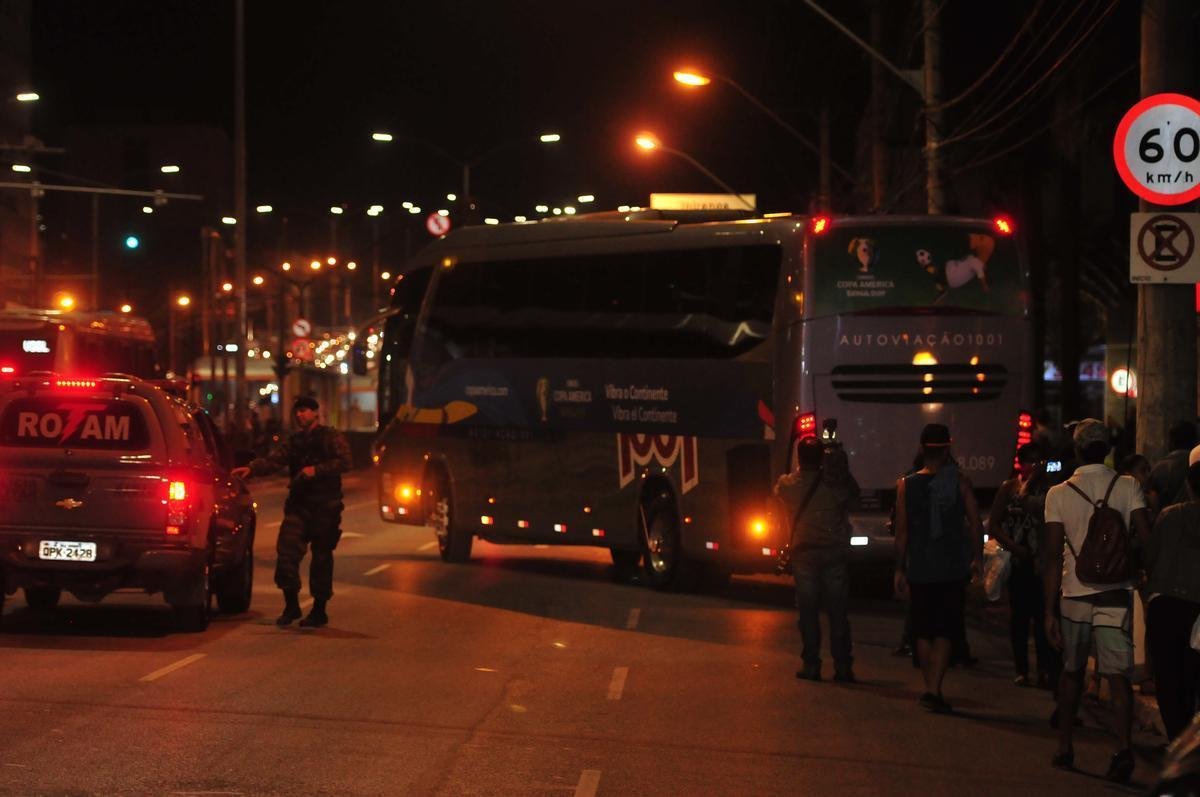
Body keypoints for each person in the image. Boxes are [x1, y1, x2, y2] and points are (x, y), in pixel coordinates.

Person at [1044, 418, 1151, 782]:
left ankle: (1064, 747)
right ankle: (1123, 749)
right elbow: (1145, 539)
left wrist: (1048, 611)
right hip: (1115, 594)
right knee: (1117, 678)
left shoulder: (1058, 494)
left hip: (1074, 595)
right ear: (1106, 450)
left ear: (1075, 450)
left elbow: (1052, 555)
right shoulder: (1128, 486)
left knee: (1072, 671)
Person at [232, 396, 352, 628]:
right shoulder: (295, 441)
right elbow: (276, 460)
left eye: (305, 410)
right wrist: (252, 469)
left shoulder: (330, 437)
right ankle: (291, 605)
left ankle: (319, 610)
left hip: (325, 508)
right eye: (297, 411)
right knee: (286, 554)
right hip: (299, 506)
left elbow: (345, 462)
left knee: (321, 559)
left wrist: (316, 470)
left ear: (316, 412)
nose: (300, 415)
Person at [893, 423, 984, 713]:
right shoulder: (959, 481)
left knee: (922, 629)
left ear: (921, 448)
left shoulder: (906, 484)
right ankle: (934, 689)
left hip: (919, 565)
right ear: (948, 448)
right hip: (951, 565)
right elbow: (975, 522)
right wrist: (978, 558)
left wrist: (899, 568)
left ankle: (930, 688)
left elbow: (902, 532)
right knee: (945, 628)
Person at [775, 435, 860, 683]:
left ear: (800, 459)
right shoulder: (835, 486)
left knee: (808, 613)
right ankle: (843, 667)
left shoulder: (789, 485)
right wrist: (839, 466)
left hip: (804, 555)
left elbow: (778, 487)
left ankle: (811, 664)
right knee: (838, 613)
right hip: (834, 553)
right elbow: (854, 496)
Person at [1143, 444, 1200, 740]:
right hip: (1197, 610)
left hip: (1165, 604)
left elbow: (1149, 558)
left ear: (1189, 485)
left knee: (1167, 678)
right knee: (1190, 678)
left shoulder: (1169, 516)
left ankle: (1176, 739)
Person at [989, 442, 1056, 688]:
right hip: (1019, 561)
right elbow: (994, 524)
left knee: (1042, 618)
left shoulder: (1050, 491)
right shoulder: (1009, 489)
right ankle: (1021, 669)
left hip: (1043, 563)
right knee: (1019, 618)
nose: (1034, 467)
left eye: (1039, 462)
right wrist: (1013, 546)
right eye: (1030, 462)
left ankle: (1044, 669)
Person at [1150, 420, 1198, 511]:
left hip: (1169, 521)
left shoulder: (1159, 469)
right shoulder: (1196, 463)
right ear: (1195, 441)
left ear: (1171, 442)